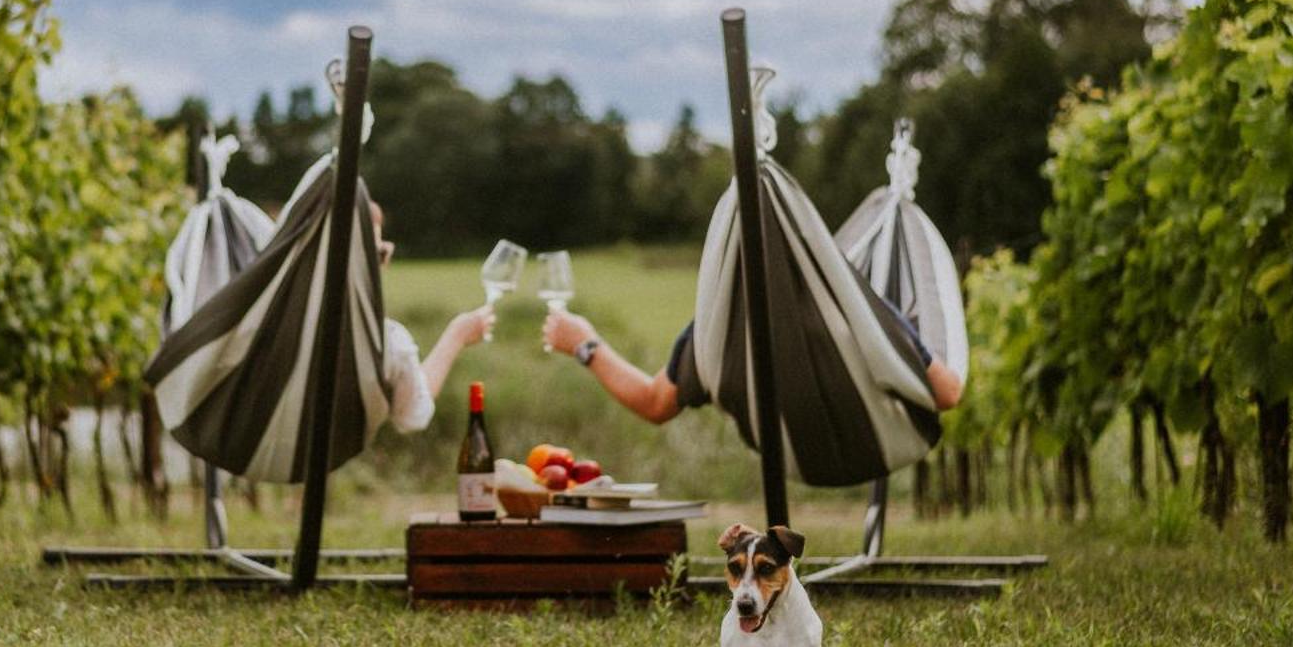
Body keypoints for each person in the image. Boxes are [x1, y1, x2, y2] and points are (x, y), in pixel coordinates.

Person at [540, 306, 962, 426]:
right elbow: (947, 393)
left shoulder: (715, 327)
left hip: (790, 449)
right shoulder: (858, 309)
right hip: (858, 440)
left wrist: (586, 346)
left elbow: (655, 403)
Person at [373, 202, 495, 431]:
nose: (386, 261)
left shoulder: (288, 321)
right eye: (380, 253)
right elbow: (413, 415)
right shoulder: (387, 342)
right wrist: (457, 336)